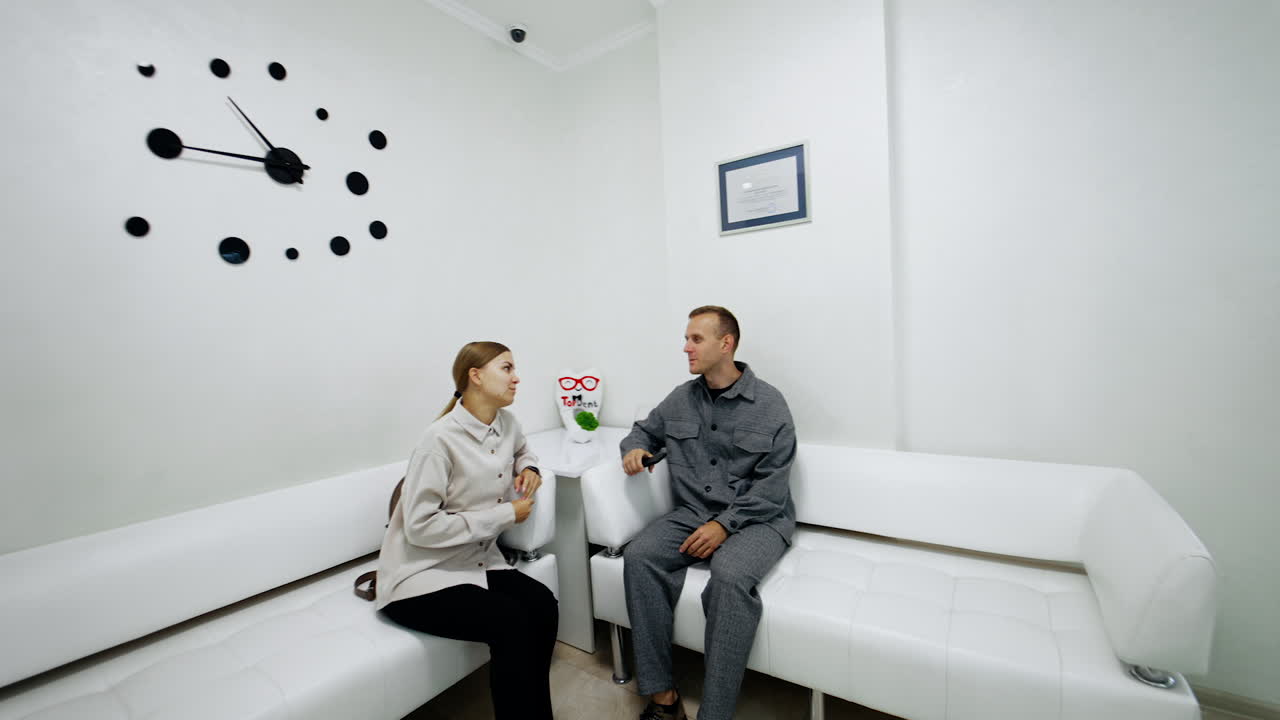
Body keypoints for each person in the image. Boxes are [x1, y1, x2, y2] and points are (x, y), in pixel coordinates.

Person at [620, 306, 797, 720]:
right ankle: (664, 699)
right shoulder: (681, 398)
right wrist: (633, 448)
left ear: (726, 343)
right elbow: (643, 429)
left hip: (759, 519)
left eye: (695, 339)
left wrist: (724, 525)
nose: (686, 347)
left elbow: (772, 488)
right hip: (694, 511)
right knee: (639, 556)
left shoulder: (770, 404)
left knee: (730, 578)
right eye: (686, 338)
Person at [376, 341, 558, 720]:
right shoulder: (438, 440)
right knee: (511, 622)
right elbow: (421, 528)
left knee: (543, 604)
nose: (516, 377)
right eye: (506, 368)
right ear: (475, 376)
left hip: (475, 562)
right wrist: (505, 515)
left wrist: (531, 470)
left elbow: (524, 451)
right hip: (421, 574)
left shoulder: (506, 423)